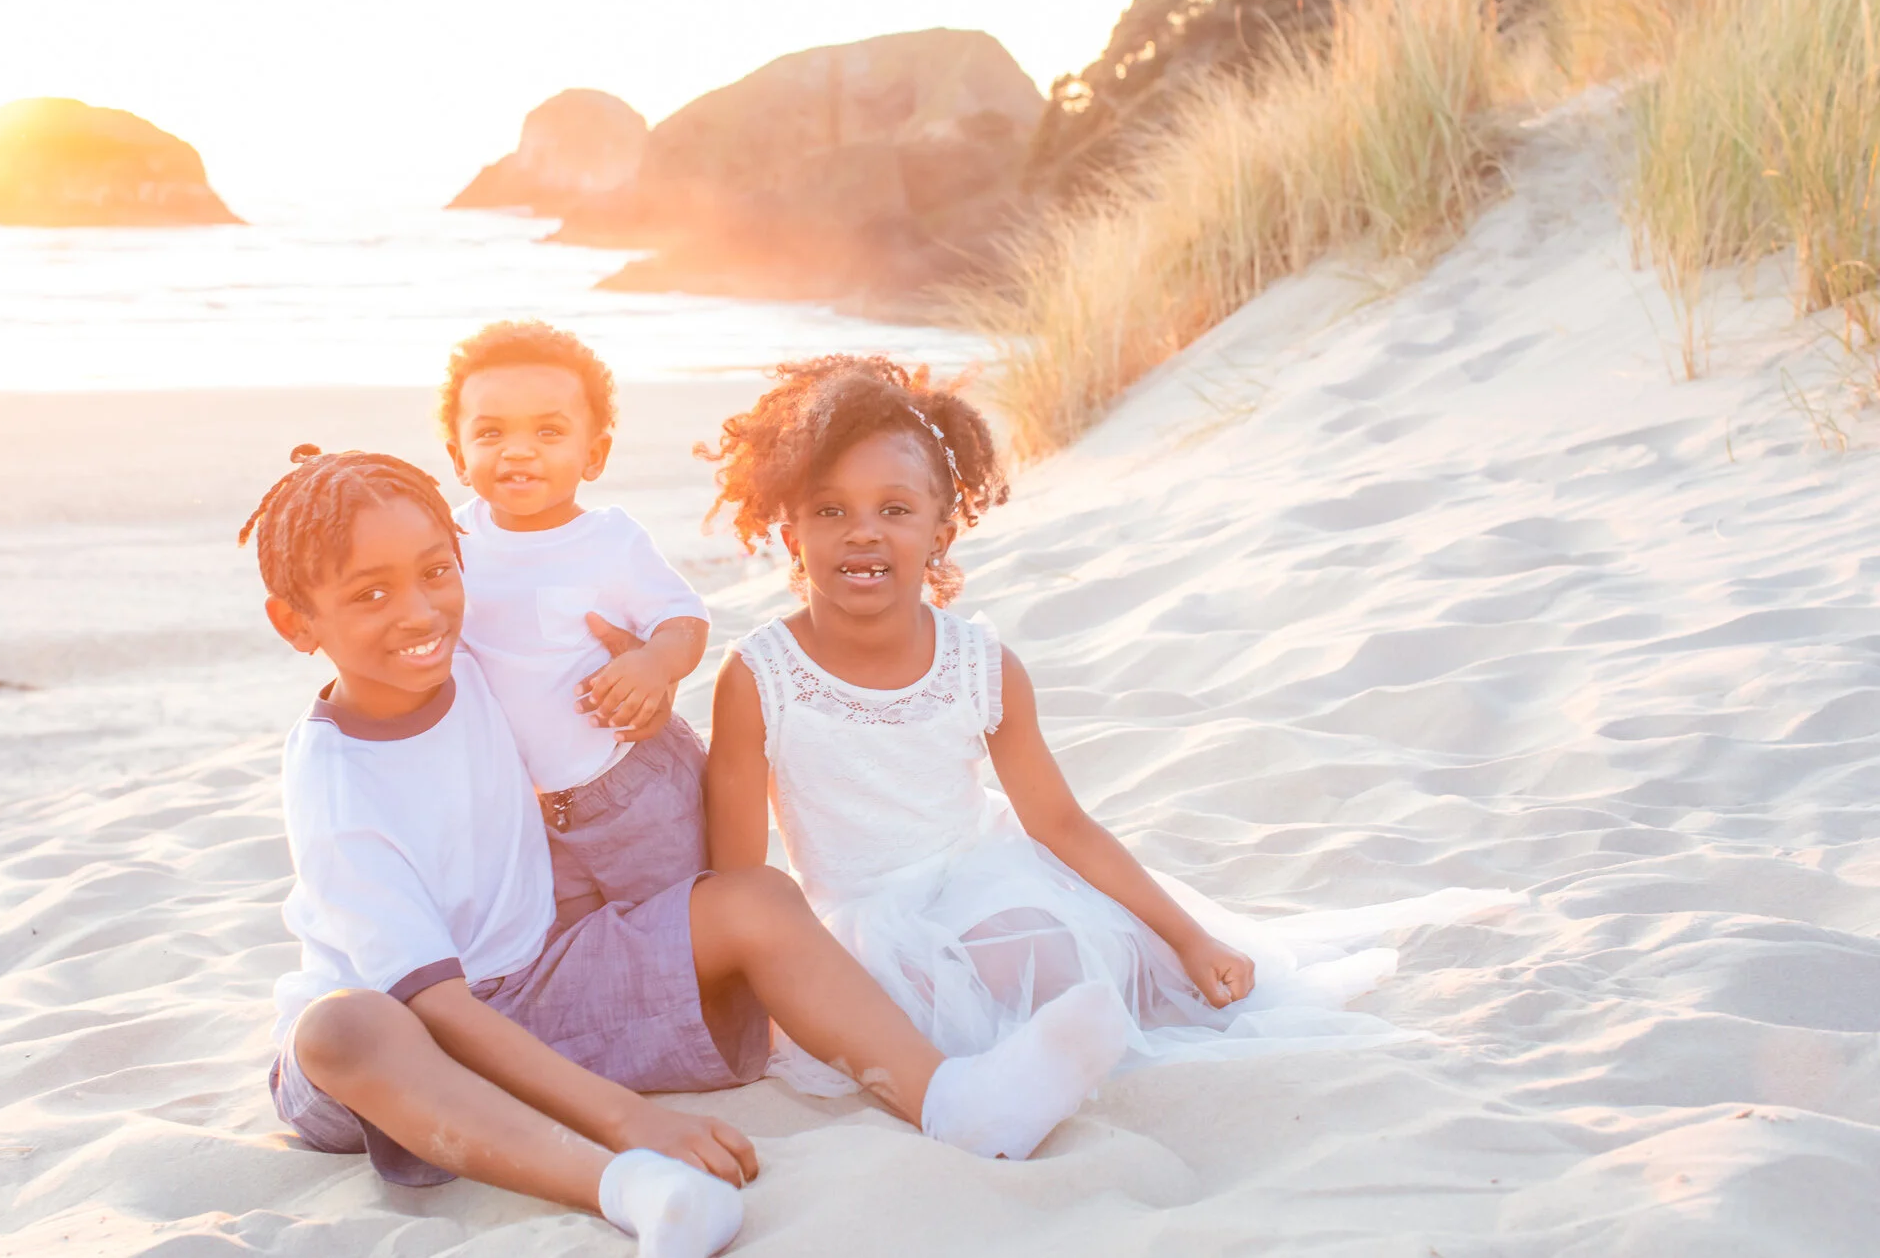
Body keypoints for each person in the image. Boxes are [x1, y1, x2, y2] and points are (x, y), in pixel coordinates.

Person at [240, 445, 1129, 1258]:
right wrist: (630, 1123)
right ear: (294, 623)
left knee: (754, 896)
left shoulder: (461, 649)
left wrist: (652, 671)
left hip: (537, 985)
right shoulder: (338, 784)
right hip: (409, 1044)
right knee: (342, 1025)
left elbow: (585, 606)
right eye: (370, 594)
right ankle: (629, 1187)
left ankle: (953, 1100)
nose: (420, 610)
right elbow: (435, 1001)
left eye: (437, 571)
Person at [700, 356, 1513, 1094]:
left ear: (941, 530)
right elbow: (742, 879)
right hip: (862, 915)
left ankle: (1064, 1043)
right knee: (903, 1001)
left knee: (1042, 949)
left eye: (895, 508)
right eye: (830, 509)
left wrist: (1188, 937)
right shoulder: (761, 676)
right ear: (788, 530)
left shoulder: (979, 664)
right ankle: (998, 1073)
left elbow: (1058, 822)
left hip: (987, 883)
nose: (863, 531)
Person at [438, 321, 709, 930]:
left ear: (595, 454)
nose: (518, 450)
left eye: (549, 431)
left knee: (676, 927)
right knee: (575, 946)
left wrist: (654, 664)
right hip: (528, 813)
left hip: (629, 787)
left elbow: (683, 617)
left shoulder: (609, 540)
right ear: (458, 457)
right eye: (490, 432)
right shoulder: (449, 541)